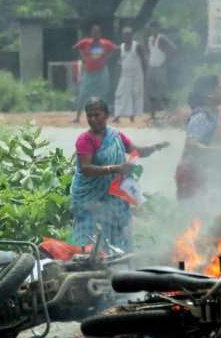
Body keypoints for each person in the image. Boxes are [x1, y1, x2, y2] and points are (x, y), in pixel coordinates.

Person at [71, 97, 169, 251]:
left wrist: (157, 147)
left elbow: (137, 151)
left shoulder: (116, 136)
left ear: (107, 114)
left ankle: (120, 267)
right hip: (90, 200)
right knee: (91, 243)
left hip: (114, 199)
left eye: (97, 115)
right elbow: (85, 168)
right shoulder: (85, 140)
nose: (92, 119)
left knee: (118, 239)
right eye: (89, 115)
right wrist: (115, 168)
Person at [174, 75, 221, 217]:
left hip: (211, 176)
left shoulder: (218, 112)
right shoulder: (202, 116)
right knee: (197, 218)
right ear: (209, 94)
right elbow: (191, 144)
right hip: (194, 176)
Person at [72, 25, 118, 124]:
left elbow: (116, 49)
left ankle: (103, 116)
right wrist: (82, 58)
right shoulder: (86, 42)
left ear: (100, 34)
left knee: (103, 93)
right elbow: (75, 48)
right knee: (83, 93)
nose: (96, 34)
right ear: (91, 34)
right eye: (94, 32)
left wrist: (108, 58)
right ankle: (77, 116)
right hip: (89, 72)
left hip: (102, 71)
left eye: (98, 32)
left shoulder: (105, 43)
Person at [112, 27, 146, 123]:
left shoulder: (137, 46)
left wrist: (145, 74)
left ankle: (132, 116)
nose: (127, 37)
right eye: (125, 35)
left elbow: (143, 60)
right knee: (119, 93)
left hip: (137, 74)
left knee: (135, 94)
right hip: (125, 75)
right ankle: (117, 115)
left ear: (132, 36)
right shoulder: (120, 48)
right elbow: (115, 59)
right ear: (123, 36)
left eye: (129, 35)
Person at [146, 21, 177, 120]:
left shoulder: (161, 38)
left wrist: (166, 62)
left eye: (155, 28)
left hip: (160, 68)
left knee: (162, 92)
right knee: (151, 92)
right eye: (151, 29)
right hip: (151, 67)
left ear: (158, 29)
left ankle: (169, 111)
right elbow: (150, 53)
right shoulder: (150, 39)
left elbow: (173, 48)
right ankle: (152, 115)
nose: (153, 31)